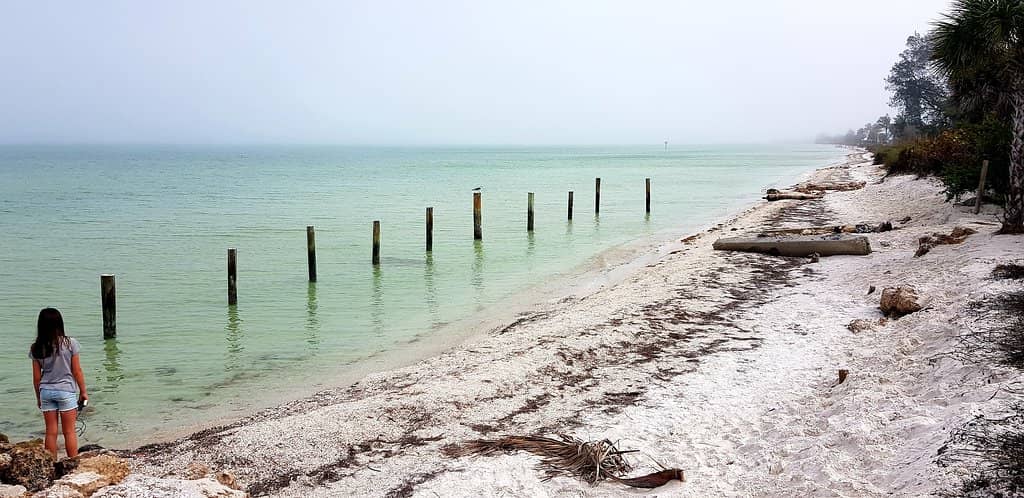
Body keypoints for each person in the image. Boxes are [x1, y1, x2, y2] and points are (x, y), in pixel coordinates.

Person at [29, 308, 87, 458]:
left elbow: (36, 378)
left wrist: (38, 397)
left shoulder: (36, 347)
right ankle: (73, 464)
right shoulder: (70, 343)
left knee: (50, 431)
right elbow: (77, 371)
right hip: (66, 390)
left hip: (46, 391)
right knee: (69, 431)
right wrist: (83, 391)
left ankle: (51, 465)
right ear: (60, 323)